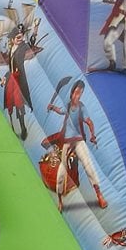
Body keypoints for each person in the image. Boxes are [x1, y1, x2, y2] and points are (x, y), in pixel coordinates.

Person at [47, 80, 108, 212]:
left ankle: (99, 194)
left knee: (88, 165)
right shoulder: (68, 106)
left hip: (78, 140)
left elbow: (89, 121)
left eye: (80, 92)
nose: (78, 95)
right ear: (72, 92)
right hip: (67, 142)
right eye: (76, 92)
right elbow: (61, 110)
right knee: (62, 171)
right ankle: (60, 200)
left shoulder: (81, 107)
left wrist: (92, 134)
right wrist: (52, 107)